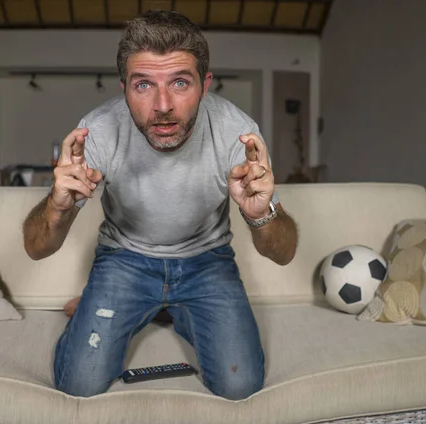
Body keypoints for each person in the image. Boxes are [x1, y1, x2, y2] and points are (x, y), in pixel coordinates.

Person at [22, 10, 298, 401]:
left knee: (240, 386)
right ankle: (124, 305)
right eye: (143, 85)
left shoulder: (237, 133)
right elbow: (37, 248)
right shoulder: (97, 131)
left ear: (205, 85)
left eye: (180, 82)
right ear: (124, 88)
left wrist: (260, 216)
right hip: (124, 260)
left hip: (208, 261)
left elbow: (283, 253)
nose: (163, 105)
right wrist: (57, 204)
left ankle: (166, 307)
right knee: (78, 385)